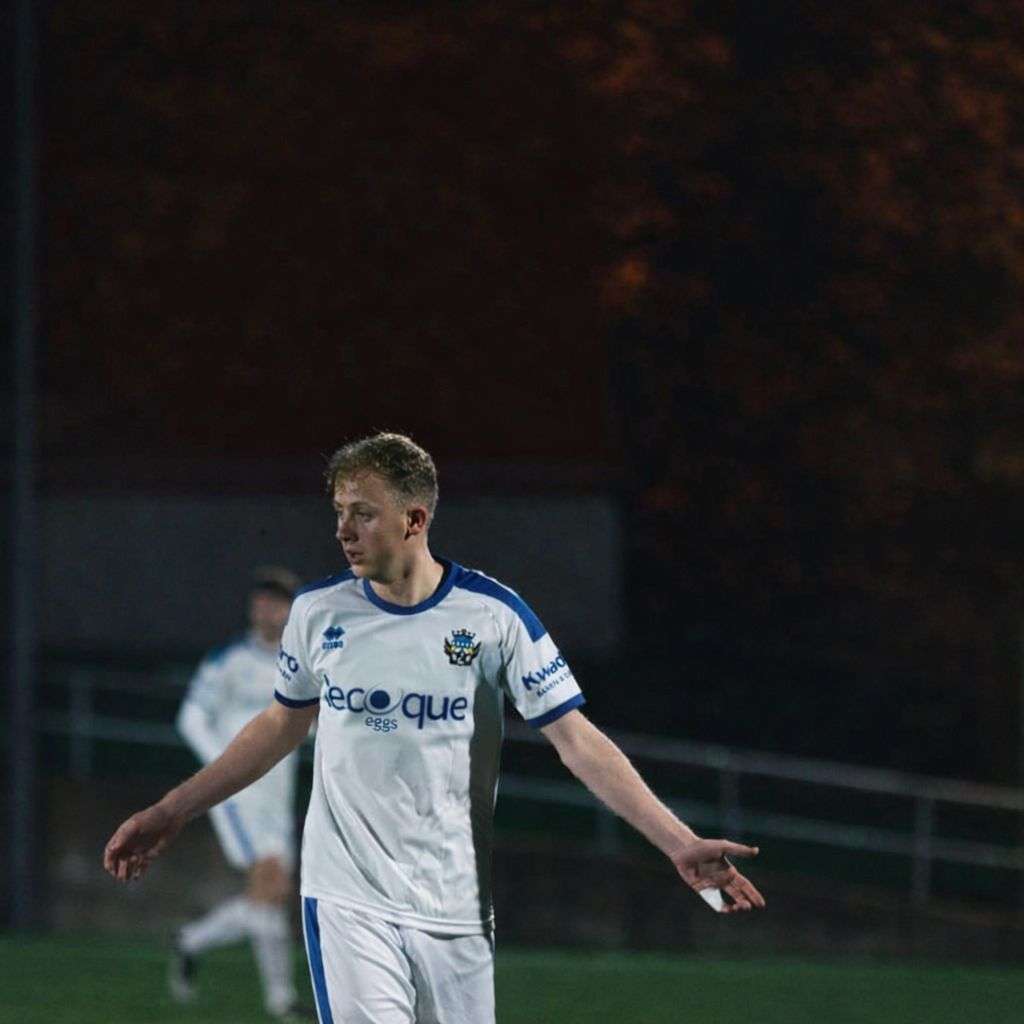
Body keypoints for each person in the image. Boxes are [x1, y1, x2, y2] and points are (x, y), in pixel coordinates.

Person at [105, 432, 765, 1024]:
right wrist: (172, 811)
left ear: (415, 519)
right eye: (339, 512)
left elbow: (576, 738)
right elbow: (280, 723)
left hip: (455, 905)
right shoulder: (317, 612)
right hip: (345, 896)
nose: (344, 529)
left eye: (363, 512)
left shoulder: (493, 616)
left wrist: (677, 841)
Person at [169, 566, 310, 1021]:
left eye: (280, 600)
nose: (269, 607)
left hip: (278, 792)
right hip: (237, 793)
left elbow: (312, 725)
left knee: (272, 895)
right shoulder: (227, 659)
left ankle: (192, 940)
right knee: (272, 883)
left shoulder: (300, 663)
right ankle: (281, 1001)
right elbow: (191, 716)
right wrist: (223, 769)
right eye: (263, 598)